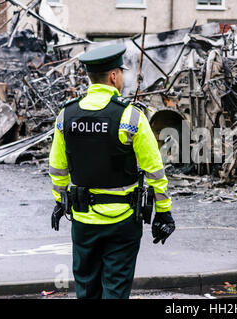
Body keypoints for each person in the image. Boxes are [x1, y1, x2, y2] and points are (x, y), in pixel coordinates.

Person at [48, 44, 175, 299]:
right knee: (115, 290)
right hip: (122, 221)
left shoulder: (66, 114)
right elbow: (154, 171)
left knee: (86, 288)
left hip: (82, 220)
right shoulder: (131, 116)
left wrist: (60, 201)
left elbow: (58, 167)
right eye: (122, 72)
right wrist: (164, 213)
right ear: (113, 76)